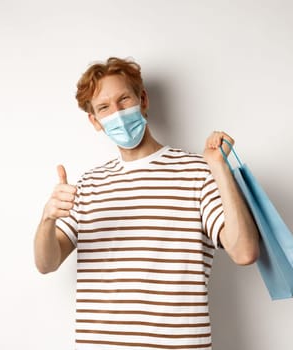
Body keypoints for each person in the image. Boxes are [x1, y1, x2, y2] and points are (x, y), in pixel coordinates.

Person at [33, 57, 260, 350]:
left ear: (142, 99)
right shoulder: (89, 184)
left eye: (123, 99)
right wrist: (47, 220)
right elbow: (46, 263)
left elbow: (245, 252)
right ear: (95, 121)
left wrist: (218, 168)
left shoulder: (196, 172)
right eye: (104, 108)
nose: (116, 113)